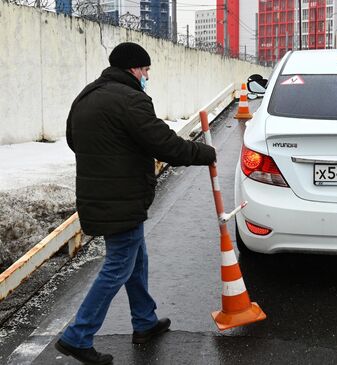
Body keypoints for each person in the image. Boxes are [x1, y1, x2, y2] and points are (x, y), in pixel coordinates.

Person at [55, 42, 216, 365]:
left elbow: (75, 140)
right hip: (122, 197)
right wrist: (204, 153)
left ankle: (144, 320)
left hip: (99, 194)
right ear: (133, 69)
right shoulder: (130, 100)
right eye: (145, 70)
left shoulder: (87, 95)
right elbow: (163, 143)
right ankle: (78, 335)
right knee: (118, 265)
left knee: (135, 257)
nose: (146, 76)